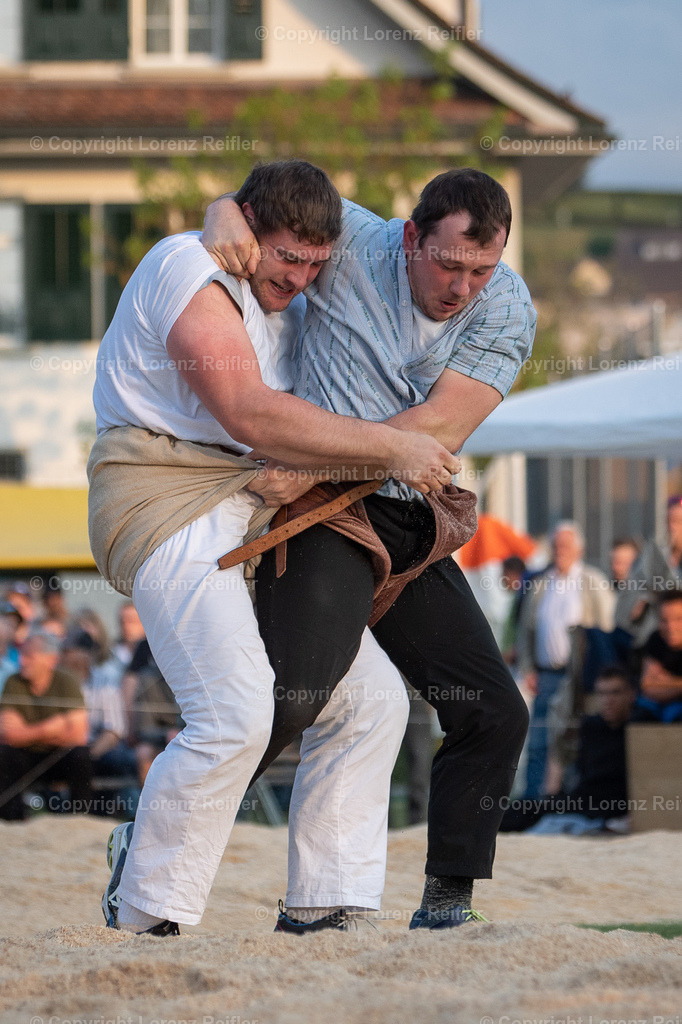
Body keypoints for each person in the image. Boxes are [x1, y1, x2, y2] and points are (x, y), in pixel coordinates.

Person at [89, 160, 457, 935]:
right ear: (250, 227)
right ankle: (145, 909)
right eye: (289, 257)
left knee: (373, 701)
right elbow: (249, 412)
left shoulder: (282, 286)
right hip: (163, 497)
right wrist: (392, 449)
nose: (301, 277)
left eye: (317, 264)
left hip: (251, 509)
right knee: (234, 712)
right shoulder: (189, 265)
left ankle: (327, 905)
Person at [203, 165, 536, 929]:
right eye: (449, 265)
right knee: (292, 698)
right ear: (409, 237)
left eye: (481, 270)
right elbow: (261, 202)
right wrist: (223, 212)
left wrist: (315, 460)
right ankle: (157, 829)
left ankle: (447, 903)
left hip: (404, 512)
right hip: (321, 515)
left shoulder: (508, 306)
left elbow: (443, 430)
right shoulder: (351, 236)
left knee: (494, 712)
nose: (462, 289)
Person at [516, 521, 615, 799]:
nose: (561, 550)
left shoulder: (592, 581)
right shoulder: (540, 584)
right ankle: (532, 804)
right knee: (538, 742)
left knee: (575, 741)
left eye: (566, 545)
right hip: (546, 676)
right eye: (557, 545)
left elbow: (606, 628)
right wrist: (528, 668)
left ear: (578, 549)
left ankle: (573, 798)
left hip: (580, 678)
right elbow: (527, 630)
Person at [499, 667, 636, 834]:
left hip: (607, 807)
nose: (608, 700)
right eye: (602, 693)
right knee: (521, 808)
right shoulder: (591, 726)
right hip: (580, 799)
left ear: (630, 694)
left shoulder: (638, 728)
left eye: (615, 693)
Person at [0, 630, 91, 821]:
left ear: (50, 659)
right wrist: (50, 728)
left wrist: (26, 731)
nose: (22, 661)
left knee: (81, 755)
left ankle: (80, 818)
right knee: (5, 753)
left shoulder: (67, 681)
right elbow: (8, 734)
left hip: (57, 756)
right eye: (22, 655)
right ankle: (12, 820)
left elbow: (79, 734)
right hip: (25, 756)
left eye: (29, 656)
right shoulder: (13, 682)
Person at [634, 590, 682, 723]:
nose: (671, 627)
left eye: (678, 619)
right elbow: (648, 685)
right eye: (664, 620)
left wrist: (665, 681)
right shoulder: (655, 639)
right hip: (656, 707)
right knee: (640, 716)